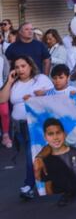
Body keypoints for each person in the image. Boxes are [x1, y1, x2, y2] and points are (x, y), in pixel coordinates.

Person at [0, 55, 54, 198]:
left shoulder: (40, 79)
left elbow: (54, 94)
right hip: (19, 126)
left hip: (35, 123)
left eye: (23, 66)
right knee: (32, 155)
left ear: (30, 66)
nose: (20, 69)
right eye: (17, 67)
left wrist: (43, 93)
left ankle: (29, 184)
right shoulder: (15, 83)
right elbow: (2, 99)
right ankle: (42, 181)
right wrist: (10, 81)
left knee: (32, 155)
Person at [37, 118, 76, 206]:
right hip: (61, 202)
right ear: (45, 137)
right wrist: (52, 203)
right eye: (50, 134)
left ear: (64, 134)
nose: (55, 137)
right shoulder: (46, 160)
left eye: (58, 133)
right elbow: (48, 184)